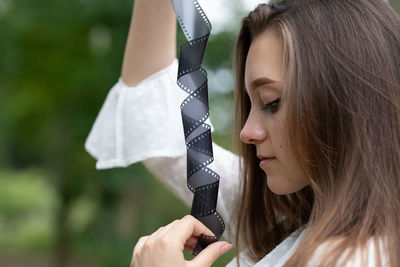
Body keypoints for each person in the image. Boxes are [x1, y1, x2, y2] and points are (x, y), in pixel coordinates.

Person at [85, 0, 400, 266]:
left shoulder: (360, 257)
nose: (247, 132)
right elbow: (152, 117)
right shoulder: (285, 215)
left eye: (271, 102)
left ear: (347, 103)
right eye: (251, 103)